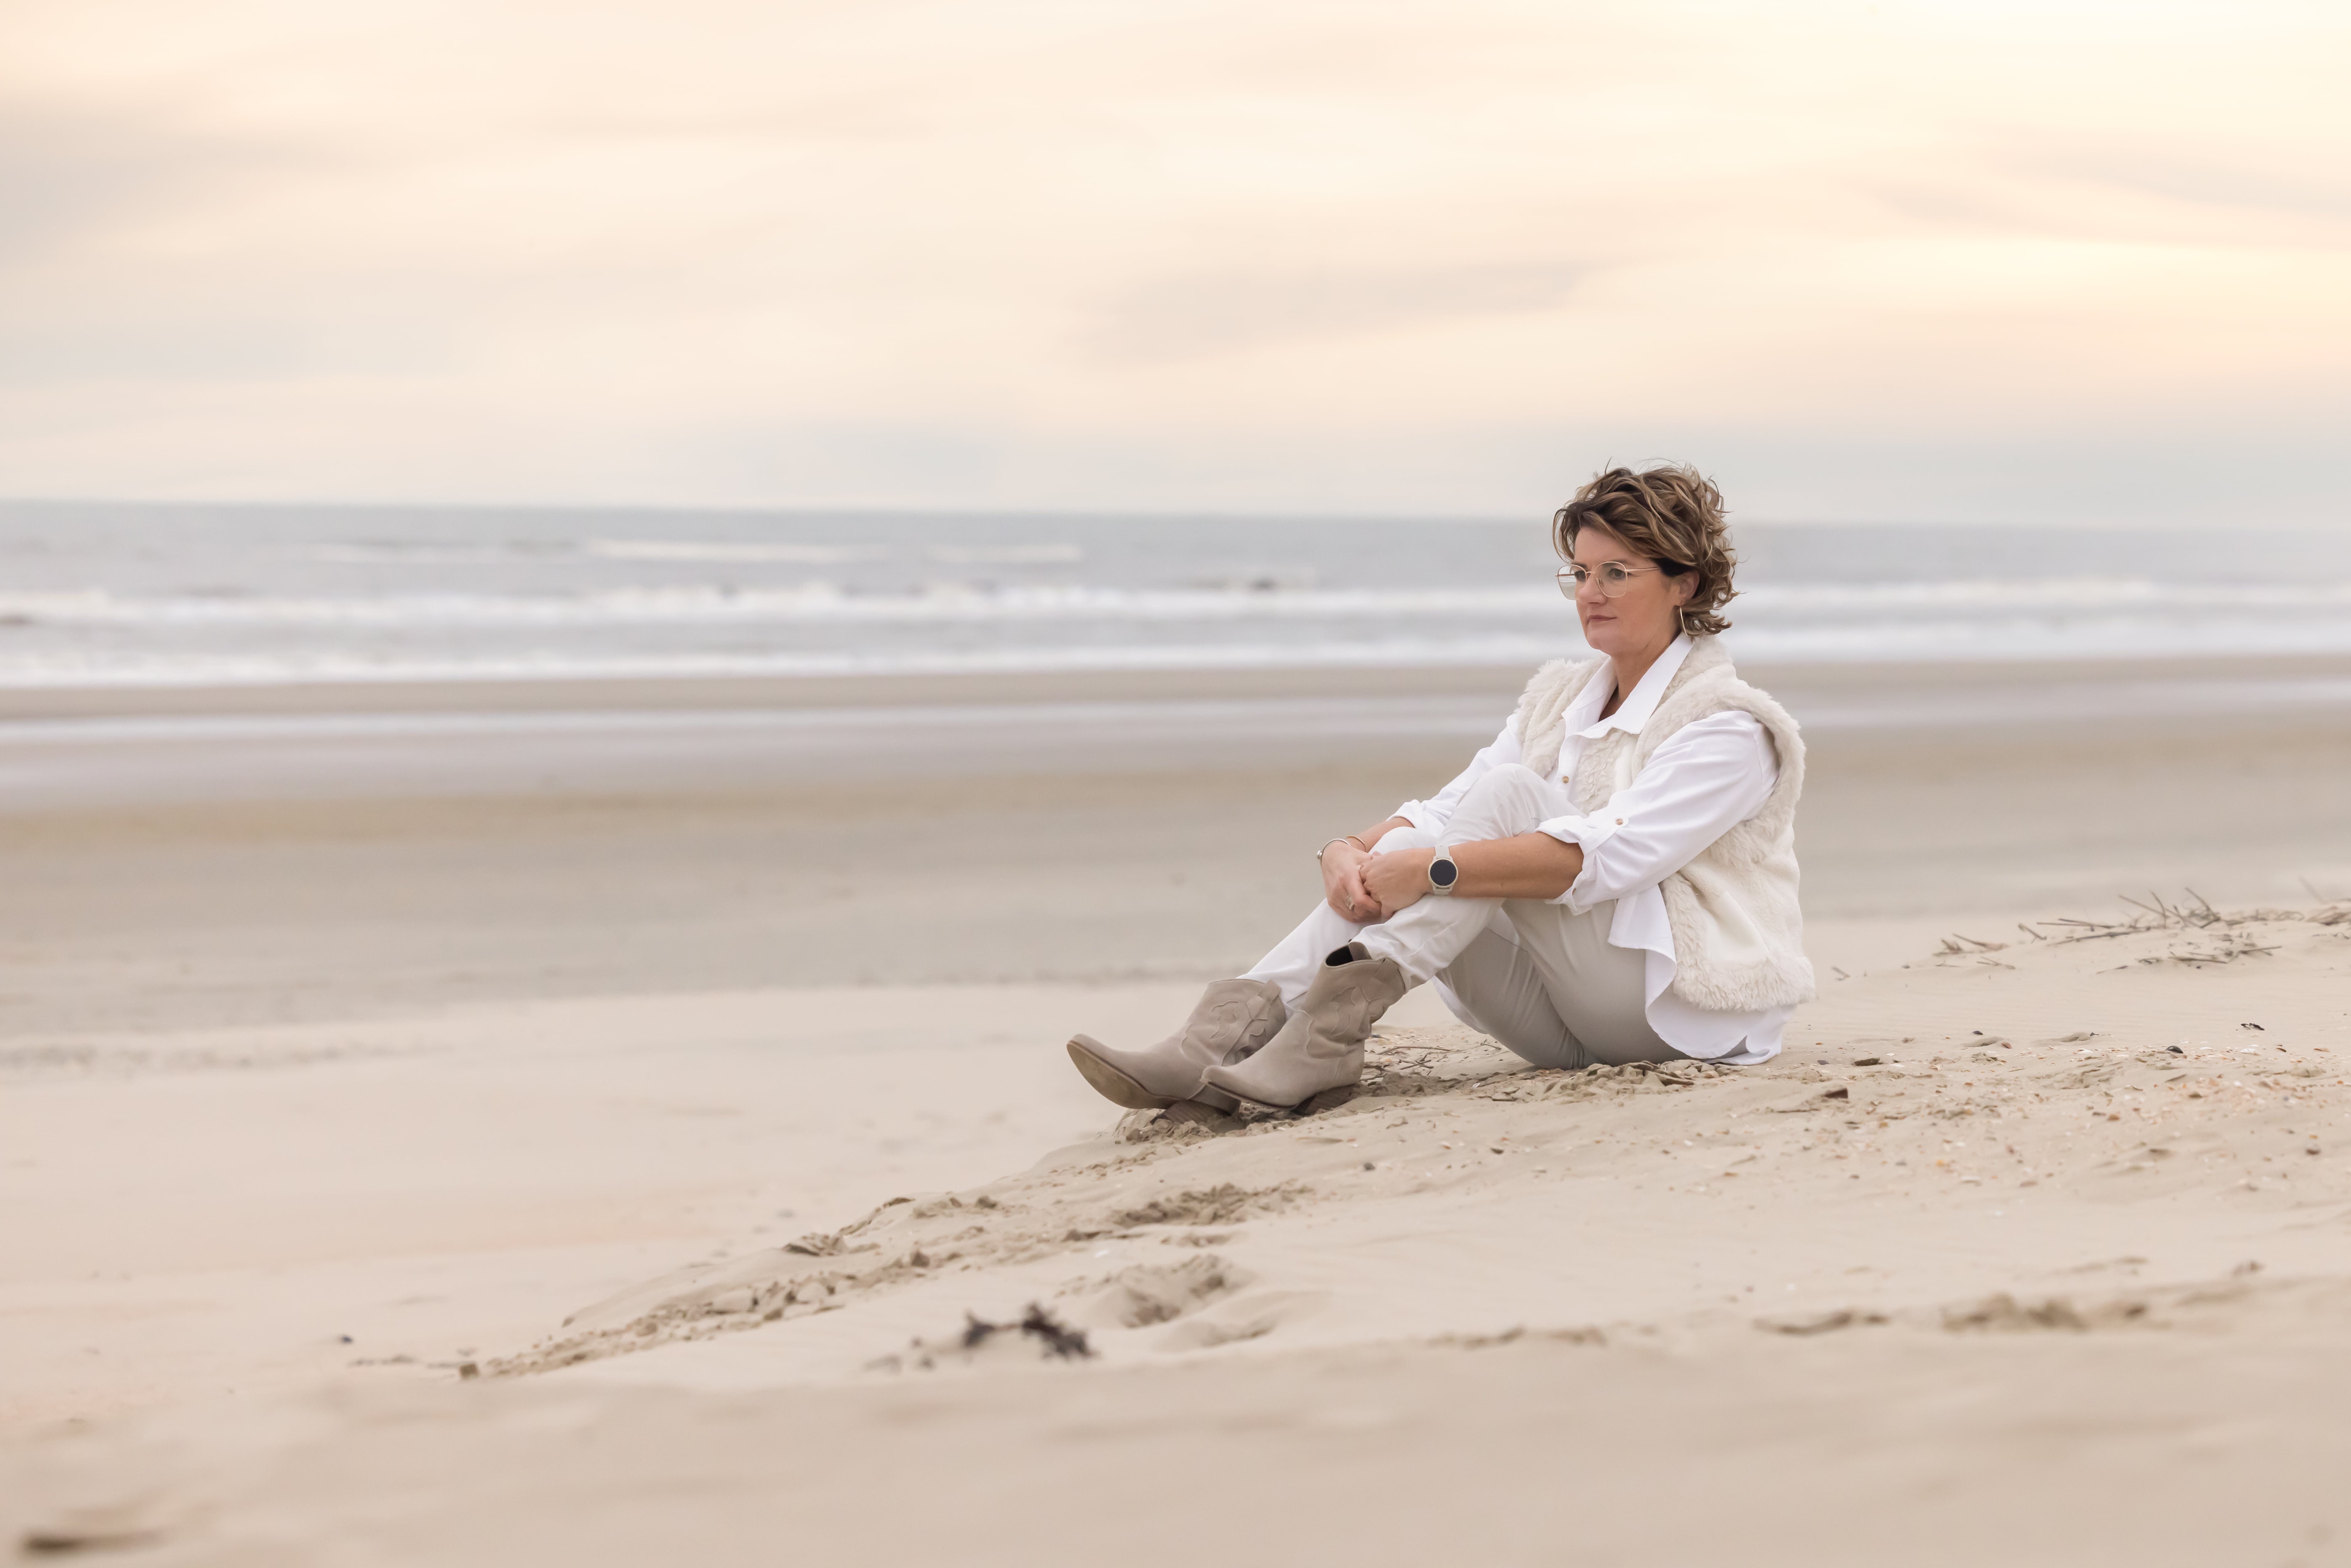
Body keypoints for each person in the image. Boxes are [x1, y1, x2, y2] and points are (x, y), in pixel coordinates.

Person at [1065, 464, 1812, 1115]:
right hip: (1564, 1026)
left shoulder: (1728, 726)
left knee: (1505, 808)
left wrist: (1429, 866)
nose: (1590, 592)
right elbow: (1445, 809)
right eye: (1580, 573)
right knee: (1447, 828)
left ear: (1683, 583)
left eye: (1618, 572)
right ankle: (1214, 1037)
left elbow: (1613, 858)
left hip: (1678, 1014)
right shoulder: (1559, 698)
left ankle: (1325, 1039)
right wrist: (1352, 849)